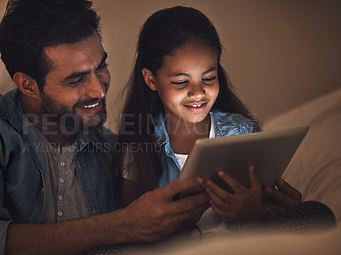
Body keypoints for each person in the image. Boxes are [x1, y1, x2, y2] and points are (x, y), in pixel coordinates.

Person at [0, 1, 211, 255]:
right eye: (76, 79)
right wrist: (123, 225)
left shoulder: (114, 151)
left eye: (100, 67)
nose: (100, 91)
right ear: (28, 85)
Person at [113, 6, 335, 237]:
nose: (198, 92)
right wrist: (185, 220)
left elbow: (265, 218)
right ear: (151, 80)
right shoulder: (137, 148)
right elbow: (135, 236)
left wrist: (254, 215)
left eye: (209, 78)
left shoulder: (241, 132)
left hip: (244, 253)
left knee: (316, 214)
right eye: (181, 82)